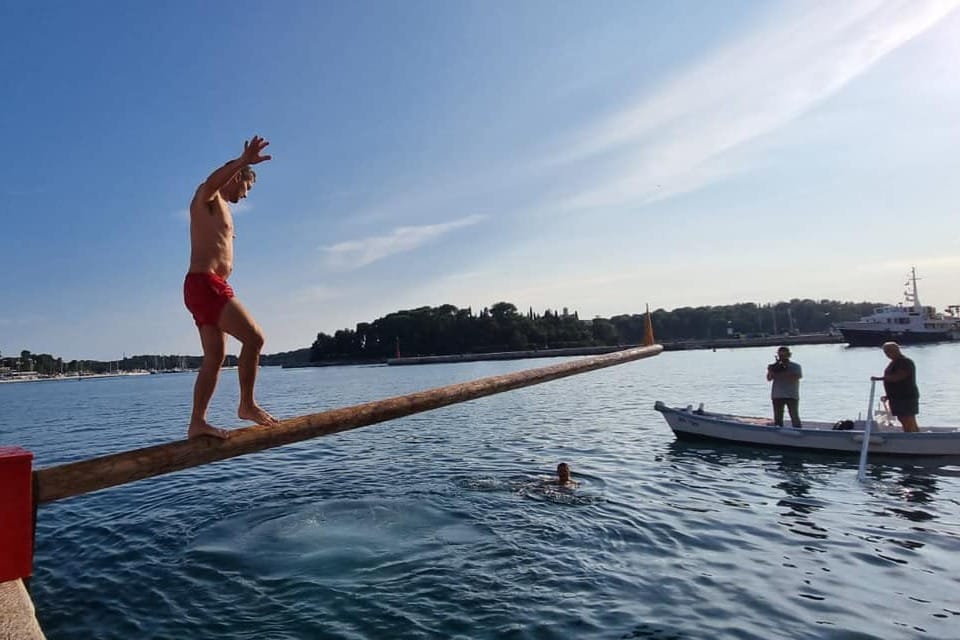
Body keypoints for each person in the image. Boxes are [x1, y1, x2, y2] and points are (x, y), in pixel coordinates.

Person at [183, 135, 279, 439]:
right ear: (236, 177)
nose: (246, 195)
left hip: (202, 286)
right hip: (206, 283)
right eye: (246, 187)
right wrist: (242, 161)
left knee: (214, 356)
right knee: (255, 338)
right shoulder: (208, 198)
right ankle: (247, 405)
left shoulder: (221, 209)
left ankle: (197, 422)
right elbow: (211, 181)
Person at [871, 342, 919, 433]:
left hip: (906, 397)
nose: (887, 354)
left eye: (888, 351)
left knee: (907, 419)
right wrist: (888, 395)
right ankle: (912, 435)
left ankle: (913, 438)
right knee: (903, 418)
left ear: (896, 350)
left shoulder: (905, 362)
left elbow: (899, 376)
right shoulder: (894, 363)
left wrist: (880, 378)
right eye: (885, 352)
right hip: (896, 397)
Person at [766, 346, 802, 428]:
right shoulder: (775, 366)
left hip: (791, 395)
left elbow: (794, 379)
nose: (782, 358)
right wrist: (771, 370)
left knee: (794, 417)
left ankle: (799, 432)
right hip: (777, 395)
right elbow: (769, 378)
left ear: (789, 355)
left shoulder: (795, 366)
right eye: (780, 356)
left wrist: (784, 370)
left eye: (784, 356)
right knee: (778, 418)